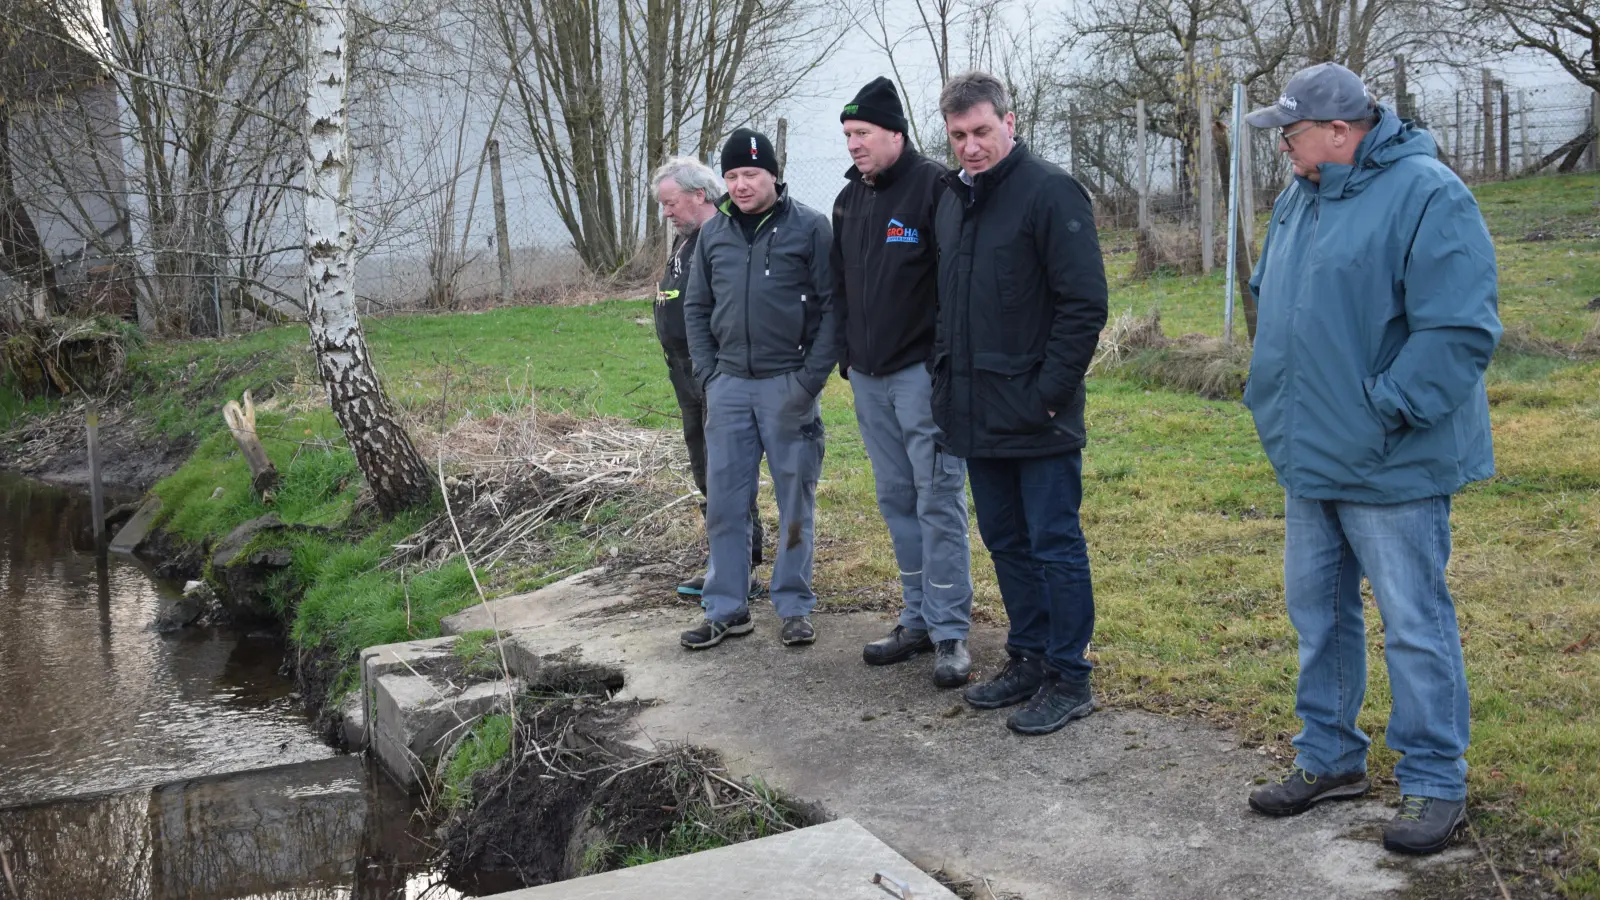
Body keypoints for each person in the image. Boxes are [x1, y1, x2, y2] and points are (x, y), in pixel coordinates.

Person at [1240, 62, 1501, 857]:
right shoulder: (1300, 197)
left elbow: (1458, 331)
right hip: (1310, 454)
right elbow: (1273, 302)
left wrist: (1385, 409)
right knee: (1317, 617)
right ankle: (1329, 759)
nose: (1283, 147)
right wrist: (1269, 395)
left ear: (1341, 132)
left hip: (1392, 461)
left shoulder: (1428, 195)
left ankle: (1436, 782)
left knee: (1414, 624)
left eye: (1291, 133)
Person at [930, 72, 1108, 735]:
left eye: (981, 131)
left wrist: (1046, 396)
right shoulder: (956, 201)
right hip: (977, 414)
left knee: (1054, 543)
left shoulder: (1050, 192)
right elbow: (949, 309)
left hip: (1040, 414)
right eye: (958, 136)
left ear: (1011, 120)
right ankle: (1028, 657)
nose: (970, 147)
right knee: (1005, 541)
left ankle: (1071, 673)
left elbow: (1083, 305)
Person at [832, 77, 974, 688]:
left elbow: (954, 289)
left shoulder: (934, 189)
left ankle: (949, 632)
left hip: (921, 375)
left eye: (862, 134)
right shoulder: (848, 200)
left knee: (937, 499)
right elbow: (840, 286)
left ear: (895, 133)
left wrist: (943, 366)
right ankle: (914, 618)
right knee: (896, 498)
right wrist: (845, 353)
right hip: (868, 377)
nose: (854, 146)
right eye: (847, 136)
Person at [681, 127, 841, 650]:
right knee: (726, 502)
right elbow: (697, 307)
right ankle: (726, 606)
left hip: (786, 386)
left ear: (774, 173)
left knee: (795, 501)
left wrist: (809, 379)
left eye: (751, 173)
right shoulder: (713, 232)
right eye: (731, 175)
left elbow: (831, 310)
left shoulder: (811, 228)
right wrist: (708, 374)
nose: (741, 184)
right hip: (727, 388)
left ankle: (793, 604)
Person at [650, 158, 764, 601]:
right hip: (685, 373)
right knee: (704, 467)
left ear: (700, 195)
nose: (667, 213)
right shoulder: (686, 241)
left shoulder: (719, 240)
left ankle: (741, 566)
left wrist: (713, 369)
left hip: (713, 372)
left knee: (727, 468)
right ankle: (722, 557)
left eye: (671, 203)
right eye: (663, 205)